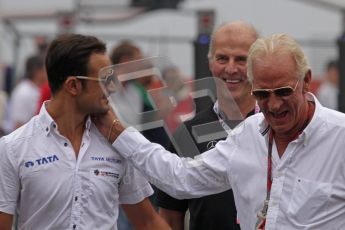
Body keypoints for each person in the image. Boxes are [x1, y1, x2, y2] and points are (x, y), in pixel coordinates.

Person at [93, 33, 345, 229]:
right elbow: (180, 179)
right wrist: (115, 130)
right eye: (262, 94)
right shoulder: (248, 135)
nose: (274, 104)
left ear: (306, 80)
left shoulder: (339, 137)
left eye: (283, 92)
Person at [0, 34, 170, 230]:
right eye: (105, 79)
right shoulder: (13, 147)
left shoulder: (117, 143)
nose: (113, 87)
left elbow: (148, 222)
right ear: (73, 85)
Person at [156, 21, 258, 230]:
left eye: (241, 59)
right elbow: (169, 217)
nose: (231, 68)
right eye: (222, 58)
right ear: (210, 62)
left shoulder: (279, 127)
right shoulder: (187, 134)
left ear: (257, 63)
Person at [10, 55, 47, 129]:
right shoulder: (23, 92)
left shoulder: (38, 88)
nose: (47, 73)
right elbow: (18, 125)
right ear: (37, 72)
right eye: (44, 70)